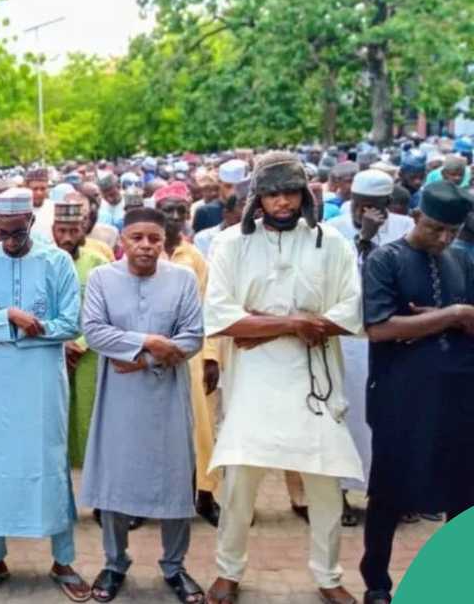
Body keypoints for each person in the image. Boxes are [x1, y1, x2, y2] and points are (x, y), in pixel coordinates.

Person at [203, 152, 363, 604]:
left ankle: (329, 576)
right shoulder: (231, 244)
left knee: (325, 483)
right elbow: (220, 317)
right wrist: (294, 324)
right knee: (239, 482)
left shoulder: (331, 243)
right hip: (253, 379)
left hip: (316, 379)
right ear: (257, 198)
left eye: (290, 192)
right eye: (272, 193)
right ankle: (228, 570)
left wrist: (262, 325)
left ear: (305, 196)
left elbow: (349, 313)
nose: (282, 202)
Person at [0, 188, 91, 602]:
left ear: (32, 223)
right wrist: (10, 320)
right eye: (4, 231)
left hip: (42, 384)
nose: (10, 240)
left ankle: (63, 559)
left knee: (48, 461)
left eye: (18, 232)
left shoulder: (57, 262)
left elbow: (72, 322)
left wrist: (34, 330)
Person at [80, 207, 205, 604]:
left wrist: (142, 358)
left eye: (154, 238)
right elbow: (95, 331)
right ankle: (115, 563)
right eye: (137, 238)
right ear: (124, 240)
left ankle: (175, 566)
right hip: (119, 397)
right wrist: (152, 343)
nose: (146, 246)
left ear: (165, 241)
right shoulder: (102, 277)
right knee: (116, 481)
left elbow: (193, 338)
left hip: (167, 395)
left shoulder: (183, 279)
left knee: (174, 480)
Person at [358, 184, 474, 604]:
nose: (444, 239)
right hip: (400, 395)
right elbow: (381, 327)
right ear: (417, 216)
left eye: (452, 231)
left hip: (460, 395)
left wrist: (451, 318)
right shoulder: (385, 260)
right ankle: (377, 582)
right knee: (390, 491)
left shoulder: (462, 260)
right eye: (436, 229)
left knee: (464, 493)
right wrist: (455, 316)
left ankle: (454, 577)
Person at [324, 169, 415, 526]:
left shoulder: (405, 226)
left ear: (387, 204)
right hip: (348, 340)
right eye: (362, 206)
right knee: (346, 418)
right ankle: (342, 494)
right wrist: (363, 239)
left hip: (392, 337)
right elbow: (336, 281)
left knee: (391, 419)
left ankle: (390, 493)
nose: (369, 213)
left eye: (377, 207)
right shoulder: (333, 231)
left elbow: (405, 273)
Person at [155, 183, 223, 525]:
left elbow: (208, 307)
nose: (176, 217)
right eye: (169, 210)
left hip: (191, 353)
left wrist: (211, 356)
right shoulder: (145, 252)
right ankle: (148, 501)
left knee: (201, 428)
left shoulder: (193, 257)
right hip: (151, 354)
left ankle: (206, 495)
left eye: (182, 211)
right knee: (152, 429)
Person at [52, 201, 109, 469]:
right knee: (58, 419)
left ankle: (97, 492)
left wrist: (82, 343)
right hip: (53, 351)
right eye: (61, 230)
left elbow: (109, 308)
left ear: (82, 230)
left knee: (90, 417)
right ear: (53, 230)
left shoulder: (98, 263)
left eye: (73, 231)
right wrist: (61, 342)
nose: (66, 238)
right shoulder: (44, 263)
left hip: (90, 352)